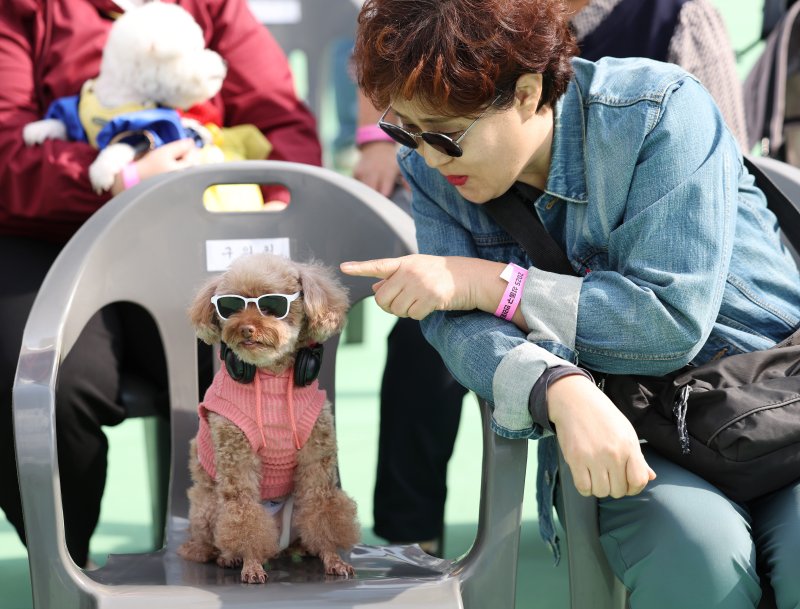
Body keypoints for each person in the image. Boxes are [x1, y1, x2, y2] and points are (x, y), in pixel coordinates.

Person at [341, 0, 800, 607]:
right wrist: (555, 385)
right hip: (634, 432)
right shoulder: (432, 173)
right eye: (403, 129)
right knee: (696, 558)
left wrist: (491, 282)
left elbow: (668, 321)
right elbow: (456, 329)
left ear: (528, 93)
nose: (424, 157)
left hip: (776, 400)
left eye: (446, 135)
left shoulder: (657, 110)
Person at [0, 0, 321, 568]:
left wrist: (261, 213)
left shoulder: (215, 7)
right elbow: (6, 150)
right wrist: (120, 179)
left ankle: (259, 553)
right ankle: (67, 571)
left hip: (191, 247)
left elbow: (282, 128)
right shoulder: (26, 11)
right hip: (51, 242)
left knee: (260, 367)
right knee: (42, 383)